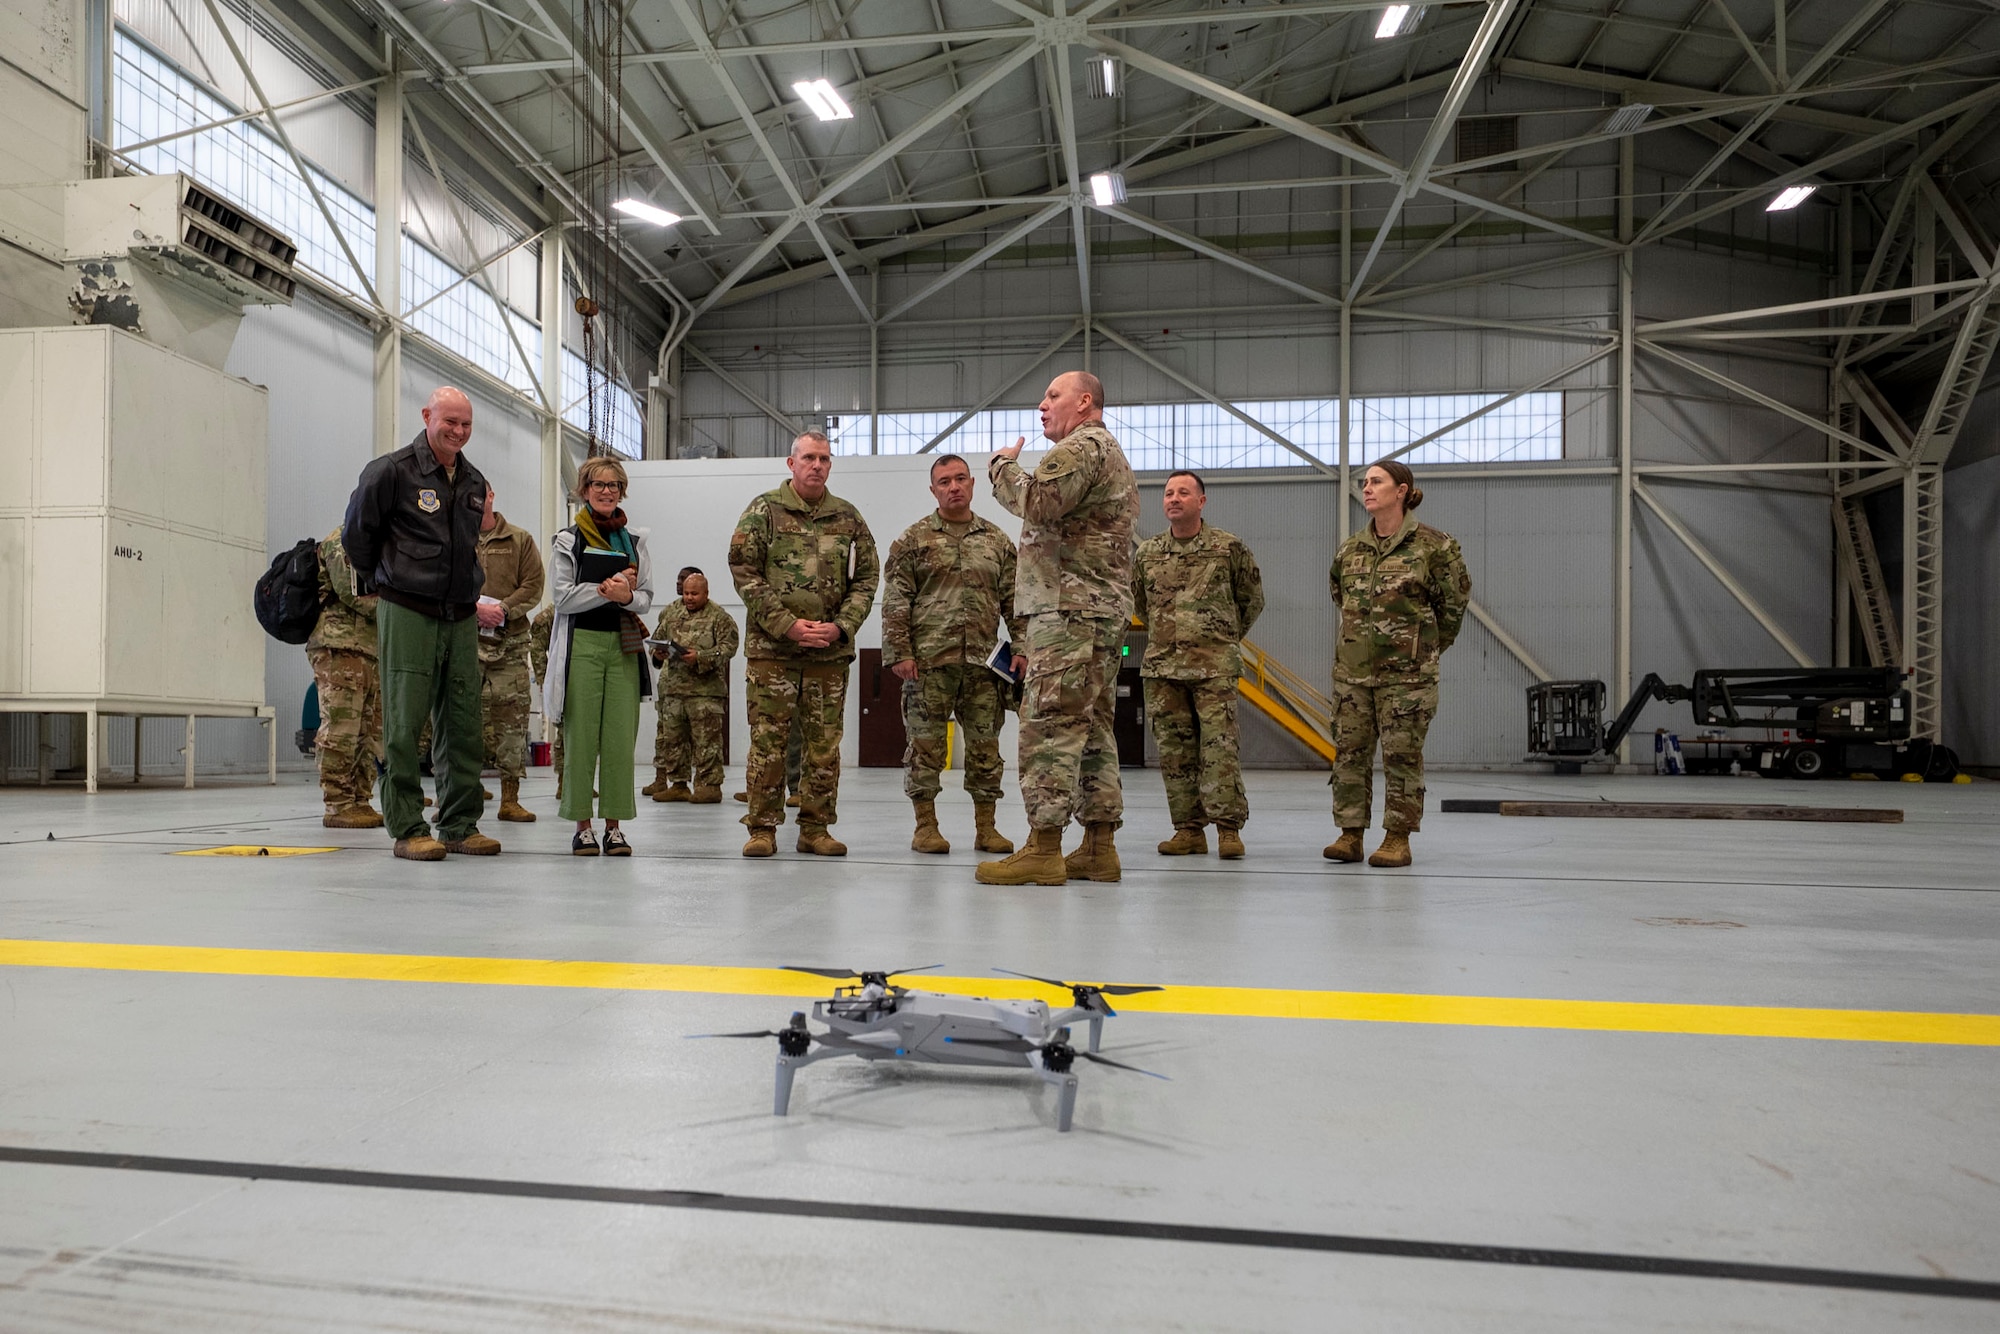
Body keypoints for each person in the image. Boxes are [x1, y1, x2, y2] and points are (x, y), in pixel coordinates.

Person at [975, 371, 1139, 886]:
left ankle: (1044, 848)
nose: (1042, 405)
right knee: (1091, 728)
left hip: (1069, 611)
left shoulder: (1082, 446)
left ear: (1085, 401)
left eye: (1052, 396)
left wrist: (1002, 466)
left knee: (1049, 724)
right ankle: (1098, 846)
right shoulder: (1105, 450)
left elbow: (1038, 502)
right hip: (1095, 613)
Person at [342, 386, 500, 861]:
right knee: (404, 723)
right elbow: (357, 534)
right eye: (449, 421)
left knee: (463, 721)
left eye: (466, 425)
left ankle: (458, 824)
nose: (458, 431)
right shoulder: (391, 472)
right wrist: (381, 581)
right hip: (408, 609)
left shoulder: (473, 481)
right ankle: (408, 825)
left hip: (459, 613)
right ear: (428, 415)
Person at [728, 430, 879, 858]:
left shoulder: (848, 517)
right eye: (809, 458)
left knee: (824, 745)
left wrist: (842, 626)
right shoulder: (764, 511)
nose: (817, 465)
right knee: (768, 742)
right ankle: (762, 828)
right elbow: (744, 571)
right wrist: (786, 625)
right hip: (772, 653)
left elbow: (867, 579)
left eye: (825, 459)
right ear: (791, 463)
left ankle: (815, 828)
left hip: (828, 655)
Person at [1326, 459, 1471, 868]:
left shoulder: (1435, 546)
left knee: (1402, 757)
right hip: (1352, 674)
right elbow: (1340, 595)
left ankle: (1397, 837)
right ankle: (1350, 833)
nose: (1367, 488)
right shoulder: (1351, 549)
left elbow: (1453, 608)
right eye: (1365, 482)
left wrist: (1419, 650)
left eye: (1376, 481)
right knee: (1349, 754)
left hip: (1407, 678)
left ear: (1402, 491)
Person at [882, 453, 1021, 855]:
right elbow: (896, 600)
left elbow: (1014, 600)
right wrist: (900, 653)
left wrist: (1023, 648)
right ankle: (926, 827)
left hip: (984, 665)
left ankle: (986, 828)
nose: (953, 486)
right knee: (925, 748)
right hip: (927, 666)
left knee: (985, 749)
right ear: (933, 490)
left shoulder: (996, 541)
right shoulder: (912, 541)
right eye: (944, 481)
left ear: (973, 484)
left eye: (960, 479)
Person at [1133, 470, 1265, 859]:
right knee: (1175, 752)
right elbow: (1142, 604)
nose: (1174, 498)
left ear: (1201, 501)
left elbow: (1251, 599)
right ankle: (1189, 829)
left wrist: (1219, 637)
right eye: (1169, 493)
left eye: (1184, 492)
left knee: (1219, 748)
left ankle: (1228, 829)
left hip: (1214, 668)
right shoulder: (1148, 552)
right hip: (1163, 668)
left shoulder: (1227, 548)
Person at [544, 456, 656, 856]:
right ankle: (582, 826)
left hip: (623, 648)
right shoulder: (568, 540)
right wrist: (605, 590)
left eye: (613, 485)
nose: (606, 491)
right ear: (584, 491)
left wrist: (627, 596)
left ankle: (614, 826)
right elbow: (562, 597)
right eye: (598, 485)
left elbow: (644, 598)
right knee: (580, 737)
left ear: (621, 491)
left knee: (619, 740)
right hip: (584, 646)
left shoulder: (636, 542)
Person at [475, 486, 546, 822]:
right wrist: (473, 609)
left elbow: (533, 584)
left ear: (491, 495)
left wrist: (502, 609)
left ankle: (510, 799)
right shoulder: (453, 538)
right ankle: (461, 796)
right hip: (464, 642)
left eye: (479, 495)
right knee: (459, 722)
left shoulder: (519, 539)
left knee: (512, 722)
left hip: (511, 643)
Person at [306, 524, 381, 828]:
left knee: (368, 730)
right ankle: (337, 804)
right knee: (341, 728)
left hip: (369, 648)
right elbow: (352, 593)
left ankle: (360, 800)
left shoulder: (374, 544)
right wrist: (400, 609)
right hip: (339, 646)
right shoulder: (342, 540)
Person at [649, 569, 739, 804]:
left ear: (706, 593)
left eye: (694, 594)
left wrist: (701, 657)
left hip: (705, 692)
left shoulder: (719, 617)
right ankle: (678, 784)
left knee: (706, 742)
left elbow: (729, 648)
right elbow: (657, 638)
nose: (689, 598)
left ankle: (709, 786)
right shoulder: (671, 612)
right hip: (674, 690)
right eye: (687, 593)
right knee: (673, 740)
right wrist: (658, 653)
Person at [529, 604, 562, 798]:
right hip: (558, 678)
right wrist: (544, 681)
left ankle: (577, 783)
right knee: (565, 733)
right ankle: (564, 782)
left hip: (580, 673)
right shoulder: (545, 618)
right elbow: (537, 650)